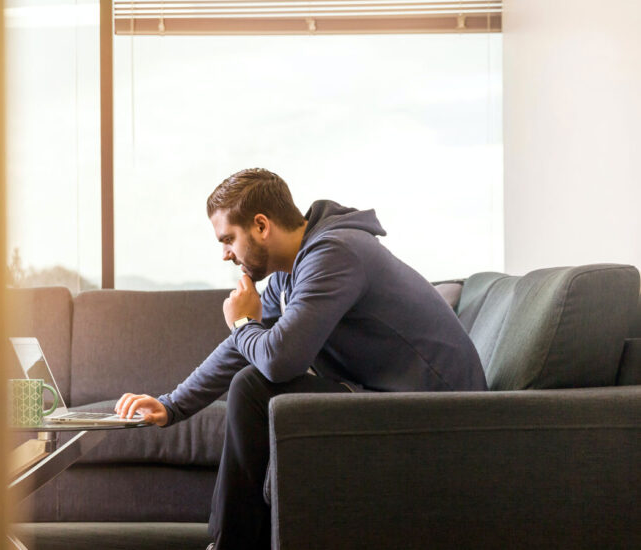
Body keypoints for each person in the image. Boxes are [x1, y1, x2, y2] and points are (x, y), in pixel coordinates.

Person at [115, 168, 487, 550]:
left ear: (261, 226)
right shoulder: (292, 273)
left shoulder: (335, 253)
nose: (225, 253)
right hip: (388, 398)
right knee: (251, 381)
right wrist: (171, 405)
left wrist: (244, 323)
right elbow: (238, 352)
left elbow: (279, 361)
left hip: (441, 416)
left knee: (255, 387)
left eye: (228, 239)